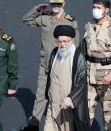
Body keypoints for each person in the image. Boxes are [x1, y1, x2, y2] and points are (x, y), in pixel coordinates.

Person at [21, 0, 79, 130]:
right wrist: (37, 9)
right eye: (53, 4)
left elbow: (76, 45)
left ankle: (65, 124)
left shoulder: (70, 21)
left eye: (58, 4)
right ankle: (34, 123)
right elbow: (26, 20)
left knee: (62, 94)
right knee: (41, 94)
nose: (56, 7)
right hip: (46, 64)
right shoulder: (45, 17)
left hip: (62, 66)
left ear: (64, 3)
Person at [81, 0, 111, 130]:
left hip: (107, 79)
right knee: (85, 114)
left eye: (98, 7)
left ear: (106, 10)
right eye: (94, 7)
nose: (95, 9)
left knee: (109, 116)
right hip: (89, 77)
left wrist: (110, 75)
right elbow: (83, 50)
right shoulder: (88, 26)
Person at [44, 25, 90, 131]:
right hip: (53, 104)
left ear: (71, 40)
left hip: (68, 107)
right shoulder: (54, 53)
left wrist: (70, 99)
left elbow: (81, 82)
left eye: (65, 41)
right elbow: (50, 77)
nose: (62, 45)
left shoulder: (78, 57)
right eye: (59, 41)